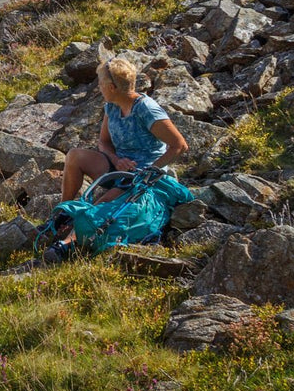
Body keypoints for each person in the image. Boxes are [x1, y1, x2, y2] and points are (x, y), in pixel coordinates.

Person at [44, 57, 190, 264]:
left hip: (142, 176)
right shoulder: (111, 106)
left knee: (103, 202)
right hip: (118, 166)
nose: (99, 87)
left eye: (101, 83)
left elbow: (179, 145)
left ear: (111, 87)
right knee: (75, 156)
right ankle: (61, 215)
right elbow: (103, 143)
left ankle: (67, 245)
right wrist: (116, 158)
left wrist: (148, 171)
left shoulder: (146, 109)